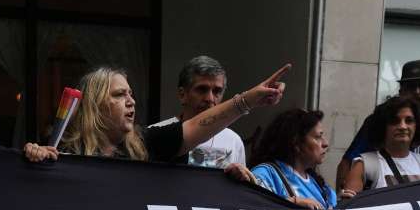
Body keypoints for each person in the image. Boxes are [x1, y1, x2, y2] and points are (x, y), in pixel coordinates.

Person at [22, 63, 289, 164]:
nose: (131, 102)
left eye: (131, 94)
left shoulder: (145, 144)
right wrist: (36, 158)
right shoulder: (66, 152)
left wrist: (249, 101)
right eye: (119, 95)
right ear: (93, 105)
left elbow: (197, 126)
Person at [336, 60, 420, 187]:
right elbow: (347, 163)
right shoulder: (378, 123)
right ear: (401, 90)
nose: (417, 92)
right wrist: (340, 203)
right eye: (411, 86)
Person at [149, 55, 247, 168]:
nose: (210, 98)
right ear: (182, 95)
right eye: (202, 89)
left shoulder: (233, 141)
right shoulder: (155, 135)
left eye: (217, 91)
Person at [342, 96, 420, 196]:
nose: (403, 126)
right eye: (395, 121)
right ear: (382, 127)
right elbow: (349, 207)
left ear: (417, 126)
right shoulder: (364, 165)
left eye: (409, 121)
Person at [246, 108, 337, 210]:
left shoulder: (321, 187)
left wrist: (345, 204)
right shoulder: (266, 175)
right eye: (317, 137)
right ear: (296, 142)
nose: (325, 143)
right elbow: (251, 208)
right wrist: (293, 202)